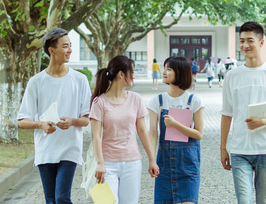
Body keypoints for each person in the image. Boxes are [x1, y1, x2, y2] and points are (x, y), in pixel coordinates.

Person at [16, 28, 91, 204]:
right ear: (52, 50)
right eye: (65, 46)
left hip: (70, 148)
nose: (70, 50)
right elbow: (22, 121)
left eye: (70, 46)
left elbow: (87, 119)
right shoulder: (36, 82)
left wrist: (72, 121)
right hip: (46, 149)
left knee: (62, 198)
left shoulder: (79, 80)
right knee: (51, 200)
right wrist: (40, 124)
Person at [221, 22, 266, 204]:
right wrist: (223, 148)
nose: (245, 45)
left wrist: (263, 121)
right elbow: (226, 113)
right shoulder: (232, 76)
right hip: (240, 149)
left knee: (263, 201)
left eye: (250, 40)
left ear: (261, 43)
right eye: (241, 41)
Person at [90, 55, 159, 204]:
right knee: (105, 203)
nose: (134, 76)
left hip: (132, 163)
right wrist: (100, 163)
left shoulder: (136, 99)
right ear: (121, 74)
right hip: (107, 165)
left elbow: (142, 131)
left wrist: (152, 159)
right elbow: (96, 136)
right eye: (132, 72)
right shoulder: (99, 102)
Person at [148, 56, 204, 204]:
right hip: (164, 164)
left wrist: (175, 124)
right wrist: (152, 160)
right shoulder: (157, 101)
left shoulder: (193, 101)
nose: (164, 72)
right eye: (165, 68)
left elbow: (199, 134)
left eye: (169, 69)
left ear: (180, 72)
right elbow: (153, 134)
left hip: (188, 164)